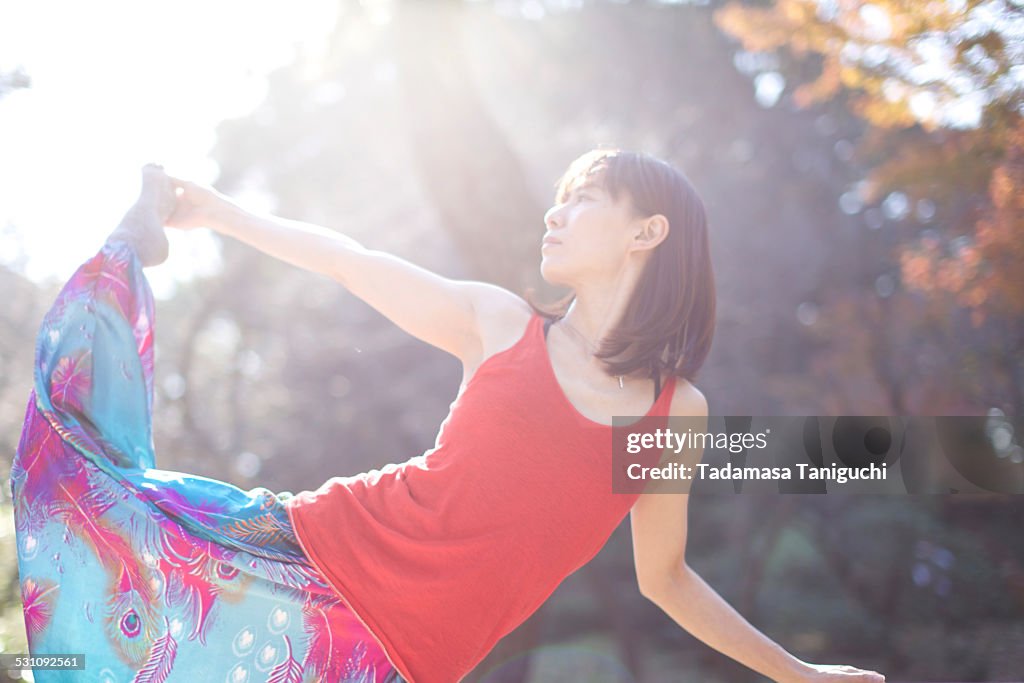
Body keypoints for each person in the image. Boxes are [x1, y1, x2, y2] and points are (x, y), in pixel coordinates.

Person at [10, 151, 886, 683]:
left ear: (646, 232)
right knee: (104, 516)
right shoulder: (503, 324)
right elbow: (354, 261)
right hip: (301, 557)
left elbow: (667, 580)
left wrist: (796, 672)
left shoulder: (673, 413)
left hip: (403, 664)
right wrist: (217, 213)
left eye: (583, 197)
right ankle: (126, 256)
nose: (556, 209)